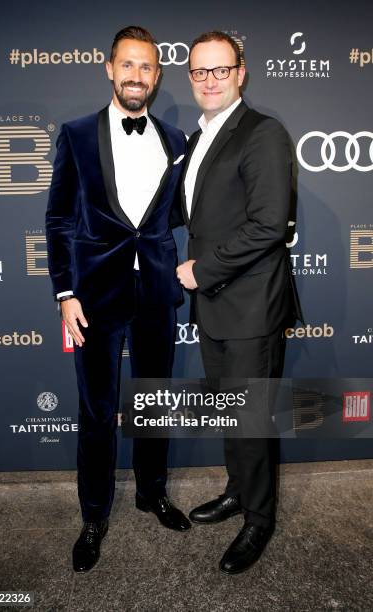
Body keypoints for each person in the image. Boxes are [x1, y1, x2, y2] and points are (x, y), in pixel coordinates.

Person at [46, 25, 191, 574]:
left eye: (147, 67)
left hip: (155, 289)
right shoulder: (78, 134)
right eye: (127, 65)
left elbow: (177, 216)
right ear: (109, 69)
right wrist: (65, 291)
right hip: (94, 295)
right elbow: (58, 218)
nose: (136, 76)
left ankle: (151, 492)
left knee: (155, 401)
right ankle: (93, 514)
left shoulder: (177, 142)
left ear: (158, 75)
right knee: (97, 408)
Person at [176, 31, 303, 574]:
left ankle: (259, 519)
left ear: (241, 72)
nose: (209, 80)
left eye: (219, 70)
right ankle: (237, 490)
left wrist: (203, 270)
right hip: (216, 305)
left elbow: (270, 225)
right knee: (232, 411)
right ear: (190, 78)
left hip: (250, 305)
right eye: (200, 72)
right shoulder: (199, 135)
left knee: (251, 419)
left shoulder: (263, 132)